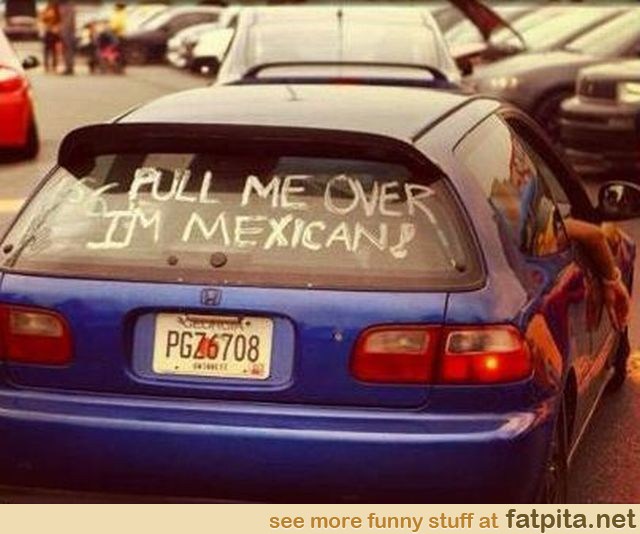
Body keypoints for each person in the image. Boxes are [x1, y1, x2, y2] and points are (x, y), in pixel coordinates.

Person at [40, 1, 61, 73]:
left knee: (54, 51)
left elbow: (59, 21)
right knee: (46, 50)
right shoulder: (46, 11)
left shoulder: (57, 11)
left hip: (54, 33)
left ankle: (54, 66)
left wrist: (56, 28)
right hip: (48, 33)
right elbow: (42, 20)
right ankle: (46, 66)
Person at [58, 0, 76, 75]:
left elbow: (68, 21)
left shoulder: (68, 7)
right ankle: (68, 67)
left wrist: (64, 31)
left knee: (68, 49)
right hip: (66, 31)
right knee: (66, 50)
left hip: (68, 32)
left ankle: (69, 67)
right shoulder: (64, 6)